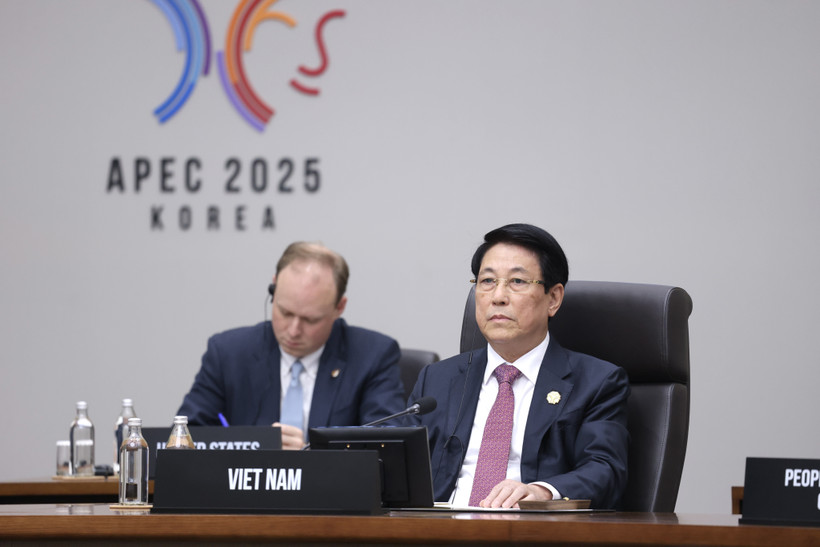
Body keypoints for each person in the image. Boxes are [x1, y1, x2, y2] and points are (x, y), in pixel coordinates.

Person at [407, 223, 629, 509]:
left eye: (517, 282)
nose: (498, 296)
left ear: (553, 298)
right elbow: (398, 466)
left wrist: (542, 492)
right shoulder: (437, 379)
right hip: (436, 533)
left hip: (531, 534)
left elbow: (605, 469)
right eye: (487, 281)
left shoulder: (597, 382)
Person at [178, 242, 406, 449]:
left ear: (340, 307)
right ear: (273, 288)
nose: (294, 330)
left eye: (310, 320)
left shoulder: (373, 356)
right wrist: (248, 450)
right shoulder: (229, 353)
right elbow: (183, 440)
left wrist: (313, 457)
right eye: (285, 312)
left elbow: (386, 445)